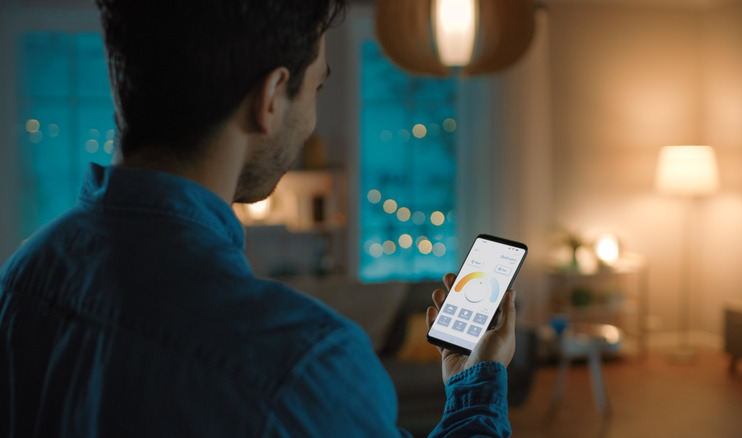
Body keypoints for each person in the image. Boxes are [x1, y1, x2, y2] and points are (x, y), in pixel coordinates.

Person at [0, 0, 517, 436]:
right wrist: (478, 384)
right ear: (270, 99)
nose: (312, 118)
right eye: (316, 88)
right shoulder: (305, 362)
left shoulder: (21, 279)